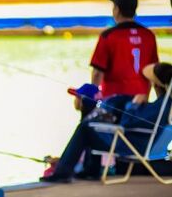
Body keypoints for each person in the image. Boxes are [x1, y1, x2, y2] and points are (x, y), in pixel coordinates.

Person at [41, 62, 172, 183]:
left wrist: (133, 105)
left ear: (159, 85)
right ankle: (91, 171)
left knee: (86, 128)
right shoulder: (165, 105)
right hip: (146, 144)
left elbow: (128, 124)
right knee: (94, 127)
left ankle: (63, 173)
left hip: (134, 145)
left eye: (154, 83)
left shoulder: (160, 107)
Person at [90, 0, 158, 101]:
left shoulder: (108, 36)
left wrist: (93, 99)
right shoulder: (149, 35)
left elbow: (97, 73)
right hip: (140, 102)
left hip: (113, 103)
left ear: (117, 10)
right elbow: (155, 72)